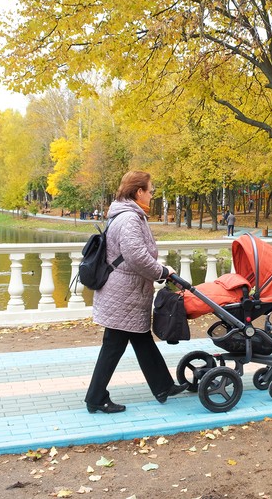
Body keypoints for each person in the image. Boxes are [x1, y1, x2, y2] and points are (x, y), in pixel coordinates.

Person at [84, 170, 187, 414]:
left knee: (141, 338)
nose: (152, 195)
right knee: (113, 345)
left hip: (125, 291)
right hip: (124, 293)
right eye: (150, 190)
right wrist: (163, 272)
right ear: (138, 191)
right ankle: (96, 398)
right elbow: (136, 256)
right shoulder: (130, 218)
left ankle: (163, 386)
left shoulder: (124, 214)